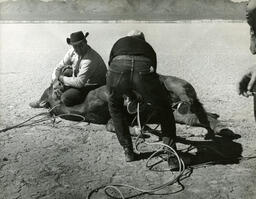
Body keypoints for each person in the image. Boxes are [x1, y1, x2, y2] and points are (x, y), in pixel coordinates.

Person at [106, 30, 177, 162]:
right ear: (142, 40)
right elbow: (153, 75)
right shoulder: (147, 47)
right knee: (164, 107)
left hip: (118, 65)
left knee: (115, 106)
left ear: (128, 38)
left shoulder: (119, 43)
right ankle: (172, 156)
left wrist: (128, 94)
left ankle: (128, 151)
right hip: (142, 66)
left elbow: (111, 68)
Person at [29, 30, 107, 108]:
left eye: (81, 45)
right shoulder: (72, 52)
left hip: (92, 86)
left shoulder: (90, 60)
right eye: (75, 46)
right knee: (64, 73)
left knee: (66, 98)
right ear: (72, 45)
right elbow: (58, 67)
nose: (78, 49)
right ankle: (41, 101)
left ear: (86, 42)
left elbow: (79, 83)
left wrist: (61, 79)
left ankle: (54, 101)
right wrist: (56, 82)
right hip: (79, 78)